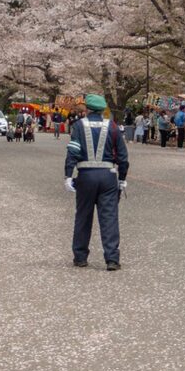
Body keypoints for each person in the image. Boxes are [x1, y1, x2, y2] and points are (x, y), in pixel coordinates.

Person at [64, 93, 130, 270]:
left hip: (85, 176)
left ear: (87, 109)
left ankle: (80, 257)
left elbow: (73, 151)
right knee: (109, 217)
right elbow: (123, 157)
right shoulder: (113, 127)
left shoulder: (78, 125)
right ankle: (112, 259)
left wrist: (68, 175)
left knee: (83, 216)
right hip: (108, 176)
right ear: (103, 110)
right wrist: (122, 179)